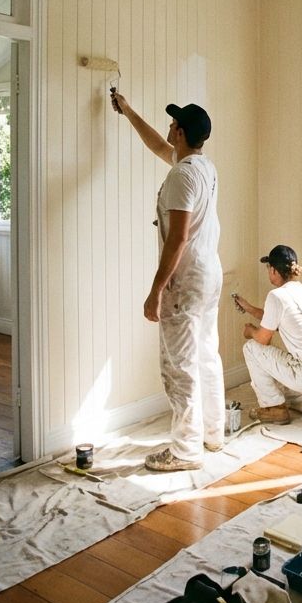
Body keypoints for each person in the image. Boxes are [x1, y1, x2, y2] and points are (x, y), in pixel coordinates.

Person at [112, 92, 225, 472]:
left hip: (186, 281)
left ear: (180, 131)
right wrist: (128, 111)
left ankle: (184, 451)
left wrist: (156, 290)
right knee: (206, 356)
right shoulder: (202, 167)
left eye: (173, 124)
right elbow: (159, 146)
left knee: (179, 366)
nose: (169, 129)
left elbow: (177, 238)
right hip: (209, 275)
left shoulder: (180, 177)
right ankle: (213, 434)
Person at [232, 245, 302, 427]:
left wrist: (250, 331)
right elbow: (279, 319)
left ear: (274, 270)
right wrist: (248, 308)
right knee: (284, 390)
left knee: (251, 348)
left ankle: (273, 408)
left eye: (269, 268)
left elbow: (263, 339)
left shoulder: (276, 296)